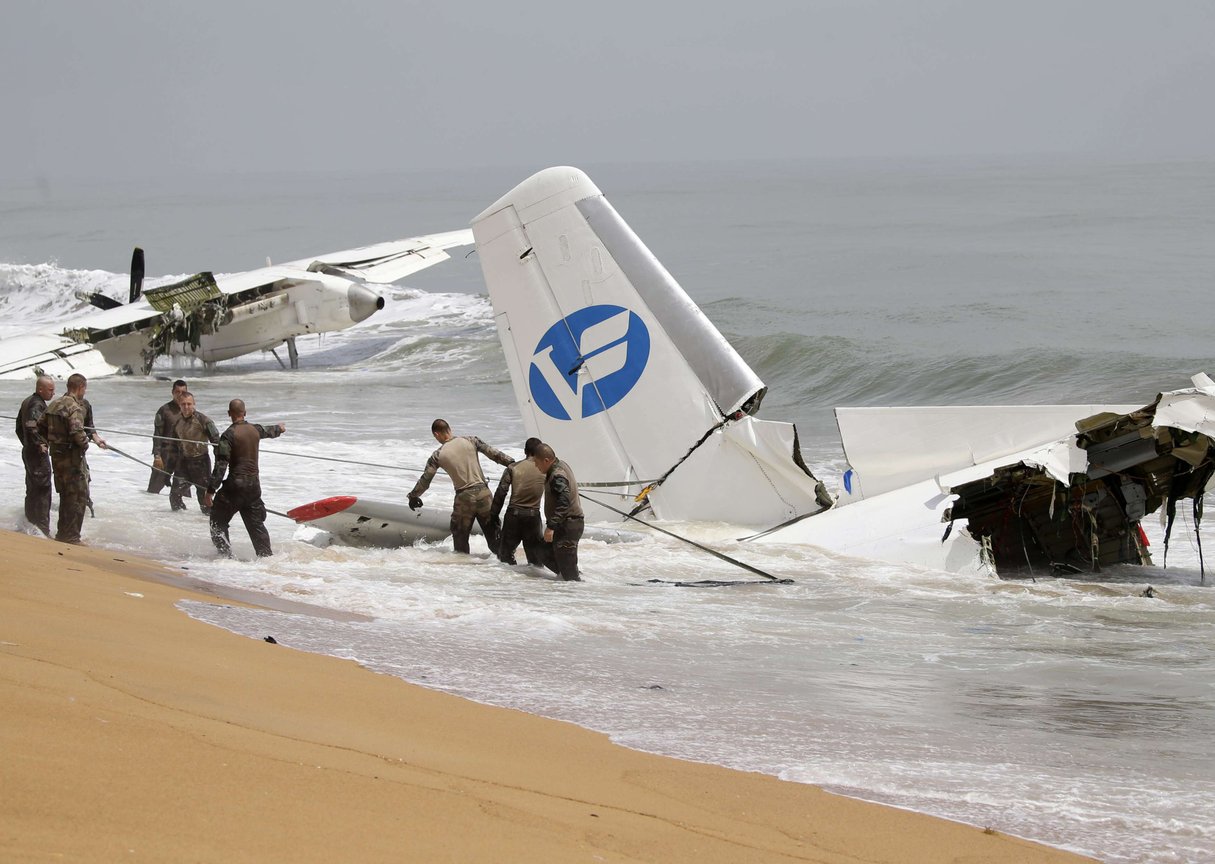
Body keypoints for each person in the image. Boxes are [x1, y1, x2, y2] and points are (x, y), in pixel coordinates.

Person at [407, 419, 513, 555]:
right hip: (484, 495)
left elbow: (426, 479)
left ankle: (464, 572)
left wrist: (413, 496)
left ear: (436, 434)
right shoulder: (471, 440)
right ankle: (509, 568)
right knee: (495, 540)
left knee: (460, 544)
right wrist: (514, 465)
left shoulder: (437, 455)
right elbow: (495, 455)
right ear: (449, 429)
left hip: (464, 500)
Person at [203, 399, 285, 557]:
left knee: (217, 521)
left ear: (229, 414)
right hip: (254, 488)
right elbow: (270, 430)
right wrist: (280, 428)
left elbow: (221, 466)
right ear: (245, 413)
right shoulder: (255, 430)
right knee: (256, 526)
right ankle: (266, 559)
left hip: (235, 487)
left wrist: (210, 491)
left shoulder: (228, 436)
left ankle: (225, 556)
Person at [37, 373, 92, 544]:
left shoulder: (54, 404)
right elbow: (77, 431)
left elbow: (39, 425)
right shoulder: (74, 407)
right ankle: (72, 537)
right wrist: (85, 444)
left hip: (57, 458)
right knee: (78, 496)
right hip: (72, 459)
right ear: (80, 387)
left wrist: (50, 442)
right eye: (84, 389)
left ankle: (62, 533)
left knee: (66, 496)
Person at [489, 437, 547, 566]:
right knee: (535, 561)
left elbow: (501, 493)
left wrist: (493, 515)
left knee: (505, 557)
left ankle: (512, 582)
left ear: (525, 451)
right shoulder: (545, 470)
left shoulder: (513, 468)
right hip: (533, 518)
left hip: (513, 518)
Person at [533, 443, 584, 581]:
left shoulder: (557, 475)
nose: (537, 467)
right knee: (542, 552)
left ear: (546, 460)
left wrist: (551, 526)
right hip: (567, 523)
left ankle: (576, 588)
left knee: (570, 577)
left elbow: (564, 500)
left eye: (537, 463)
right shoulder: (561, 464)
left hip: (569, 524)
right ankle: (570, 573)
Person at [15, 375, 55, 536]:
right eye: (50, 390)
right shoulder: (36, 404)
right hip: (37, 454)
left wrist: (27, 444)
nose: (53, 393)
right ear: (40, 389)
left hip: (28, 451)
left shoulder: (27, 401)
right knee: (42, 490)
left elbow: (18, 427)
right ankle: (42, 529)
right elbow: (30, 425)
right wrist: (39, 444)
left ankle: (29, 525)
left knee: (32, 489)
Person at [169, 392, 220, 513]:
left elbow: (217, 443)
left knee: (204, 501)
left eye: (189, 404)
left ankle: (208, 525)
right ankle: (182, 524)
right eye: (183, 404)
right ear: (179, 405)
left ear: (194, 404)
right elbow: (174, 447)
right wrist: (168, 468)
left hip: (200, 462)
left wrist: (220, 466)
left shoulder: (204, 421)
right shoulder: (177, 422)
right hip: (183, 462)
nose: (186, 407)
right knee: (174, 496)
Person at [147, 379, 187, 494]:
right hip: (166, 454)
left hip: (183, 455)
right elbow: (157, 435)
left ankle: (184, 513)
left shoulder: (189, 410)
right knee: (153, 490)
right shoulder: (164, 410)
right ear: (172, 392)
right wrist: (157, 455)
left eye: (183, 392)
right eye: (177, 392)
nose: (180, 395)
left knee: (184, 493)